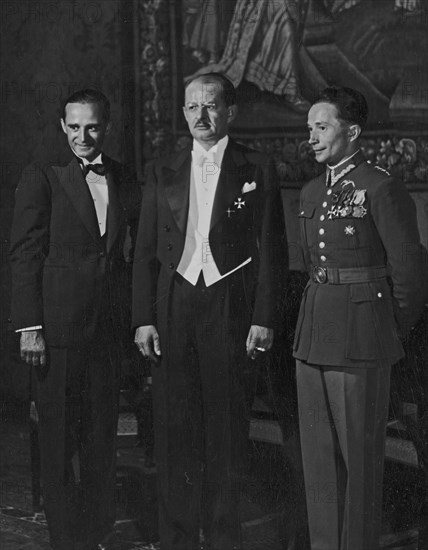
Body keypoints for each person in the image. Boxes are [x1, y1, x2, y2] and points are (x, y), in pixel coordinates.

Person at [132, 73, 286, 550]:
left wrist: (263, 317)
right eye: (192, 106)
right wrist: (143, 317)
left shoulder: (257, 167)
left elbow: (273, 251)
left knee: (225, 431)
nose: (201, 115)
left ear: (230, 112)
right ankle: (177, 538)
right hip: (175, 304)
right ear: (183, 112)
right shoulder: (162, 170)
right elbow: (144, 253)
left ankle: (223, 539)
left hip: (229, 305)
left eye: (211, 106)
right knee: (175, 431)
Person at [293, 86, 428, 550]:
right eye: (310, 127)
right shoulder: (312, 190)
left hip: (362, 337)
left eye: (322, 127)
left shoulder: (381, 186)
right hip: (312, 335)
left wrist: (385, 329)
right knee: (319, 465)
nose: (312, 136)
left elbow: (410, 274)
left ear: (352, 132)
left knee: (361, 463)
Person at [9, 89, 140, 550]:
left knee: (101, 440)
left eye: (92, 127)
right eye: (74, 127)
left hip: (106, 331)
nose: (83, 136)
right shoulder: (43, 175)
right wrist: (30, 327)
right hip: (56, 334)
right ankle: (67, 540)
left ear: (107, 126)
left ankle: (97, 534)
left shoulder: (123, 177)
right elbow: (24, 254)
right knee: (59, 441)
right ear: (63, 127)